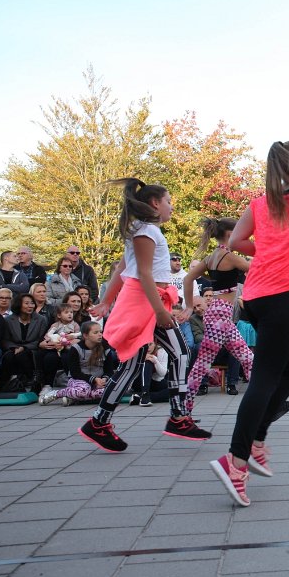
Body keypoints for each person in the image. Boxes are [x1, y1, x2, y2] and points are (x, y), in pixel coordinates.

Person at [211, 140, 289, 507]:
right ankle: (236, 460)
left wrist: (267, 248)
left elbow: (236, 241)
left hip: (253, 297)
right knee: (266, 379)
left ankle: (257, 437)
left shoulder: (260, 202)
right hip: (281, 297)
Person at [81, 178, 207, 452]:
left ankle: (102, 421)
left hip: (143, 300)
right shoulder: (147, 231)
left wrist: (106, 302)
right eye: (169, 201)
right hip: (144, 302)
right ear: (155, 203)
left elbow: (123, 269)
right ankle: (176, 417)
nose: (172, 207)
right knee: (175, 354)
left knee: (145, 361)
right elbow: (143, 273)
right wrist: (160, 310)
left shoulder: (142, 230)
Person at [181, 217, 255, 408]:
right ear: (230, 235)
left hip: (218, 314)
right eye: (239, 234)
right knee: (202, 364)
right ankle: (181, 412)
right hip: (220, 315)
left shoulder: (211, 257)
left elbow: (188, 279)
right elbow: (257, 268)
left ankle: (266, 403)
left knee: (248, 358)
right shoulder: (228, 256)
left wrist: (189, 306)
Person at [39, 321, 117, 406]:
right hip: (79, 380)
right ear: (85, 335)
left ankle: (75, 399)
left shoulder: (105, 348)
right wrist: (94, 379)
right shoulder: (76, 349)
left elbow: (109, 370)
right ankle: (57, 393)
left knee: (113, 391)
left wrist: (104, 380)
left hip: (99, 381)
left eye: (100, 332)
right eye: (95, 332)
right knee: (83, 390)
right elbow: (75, 373)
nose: (100, 334)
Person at [0, 293, 49, 391]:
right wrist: (14, 347)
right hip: (14, 348)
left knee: (22, 355)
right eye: (26, 303)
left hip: (33, 349)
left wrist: (24, 347)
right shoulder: (8, 320)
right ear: (19, 304)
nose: (30, 306)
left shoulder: (41, 319)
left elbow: (40, 339)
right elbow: (5, 340)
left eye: (32, 303)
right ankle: (7, 385)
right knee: (9, 356)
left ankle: (31, 382)